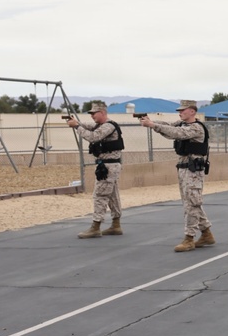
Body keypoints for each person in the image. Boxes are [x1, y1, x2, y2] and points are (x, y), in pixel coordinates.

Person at [139, 100, 215, 253]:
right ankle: (206, 233)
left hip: (193, 170)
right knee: (191, 202)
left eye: (183, 110)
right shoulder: (182, 124)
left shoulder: (196, 128)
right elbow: (168, 127)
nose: (180, 113)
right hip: (184, 168)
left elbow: (176, 133)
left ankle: (189, 238)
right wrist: (151, 122)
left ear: (192, 111)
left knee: (192, 203)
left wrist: (153, 125)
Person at [67, 101, 124, 238]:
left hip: (108, 166)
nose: (92, 116)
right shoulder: (101, 125)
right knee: (112, 196)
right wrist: (77, 123)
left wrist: (77, 127)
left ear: (103, 113)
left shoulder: (108, 126)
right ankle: (116, 225)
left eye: (94, 113)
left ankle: (96, 226)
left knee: (100, 195)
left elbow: (93, 136)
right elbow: (88, 126)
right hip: (108, 165)